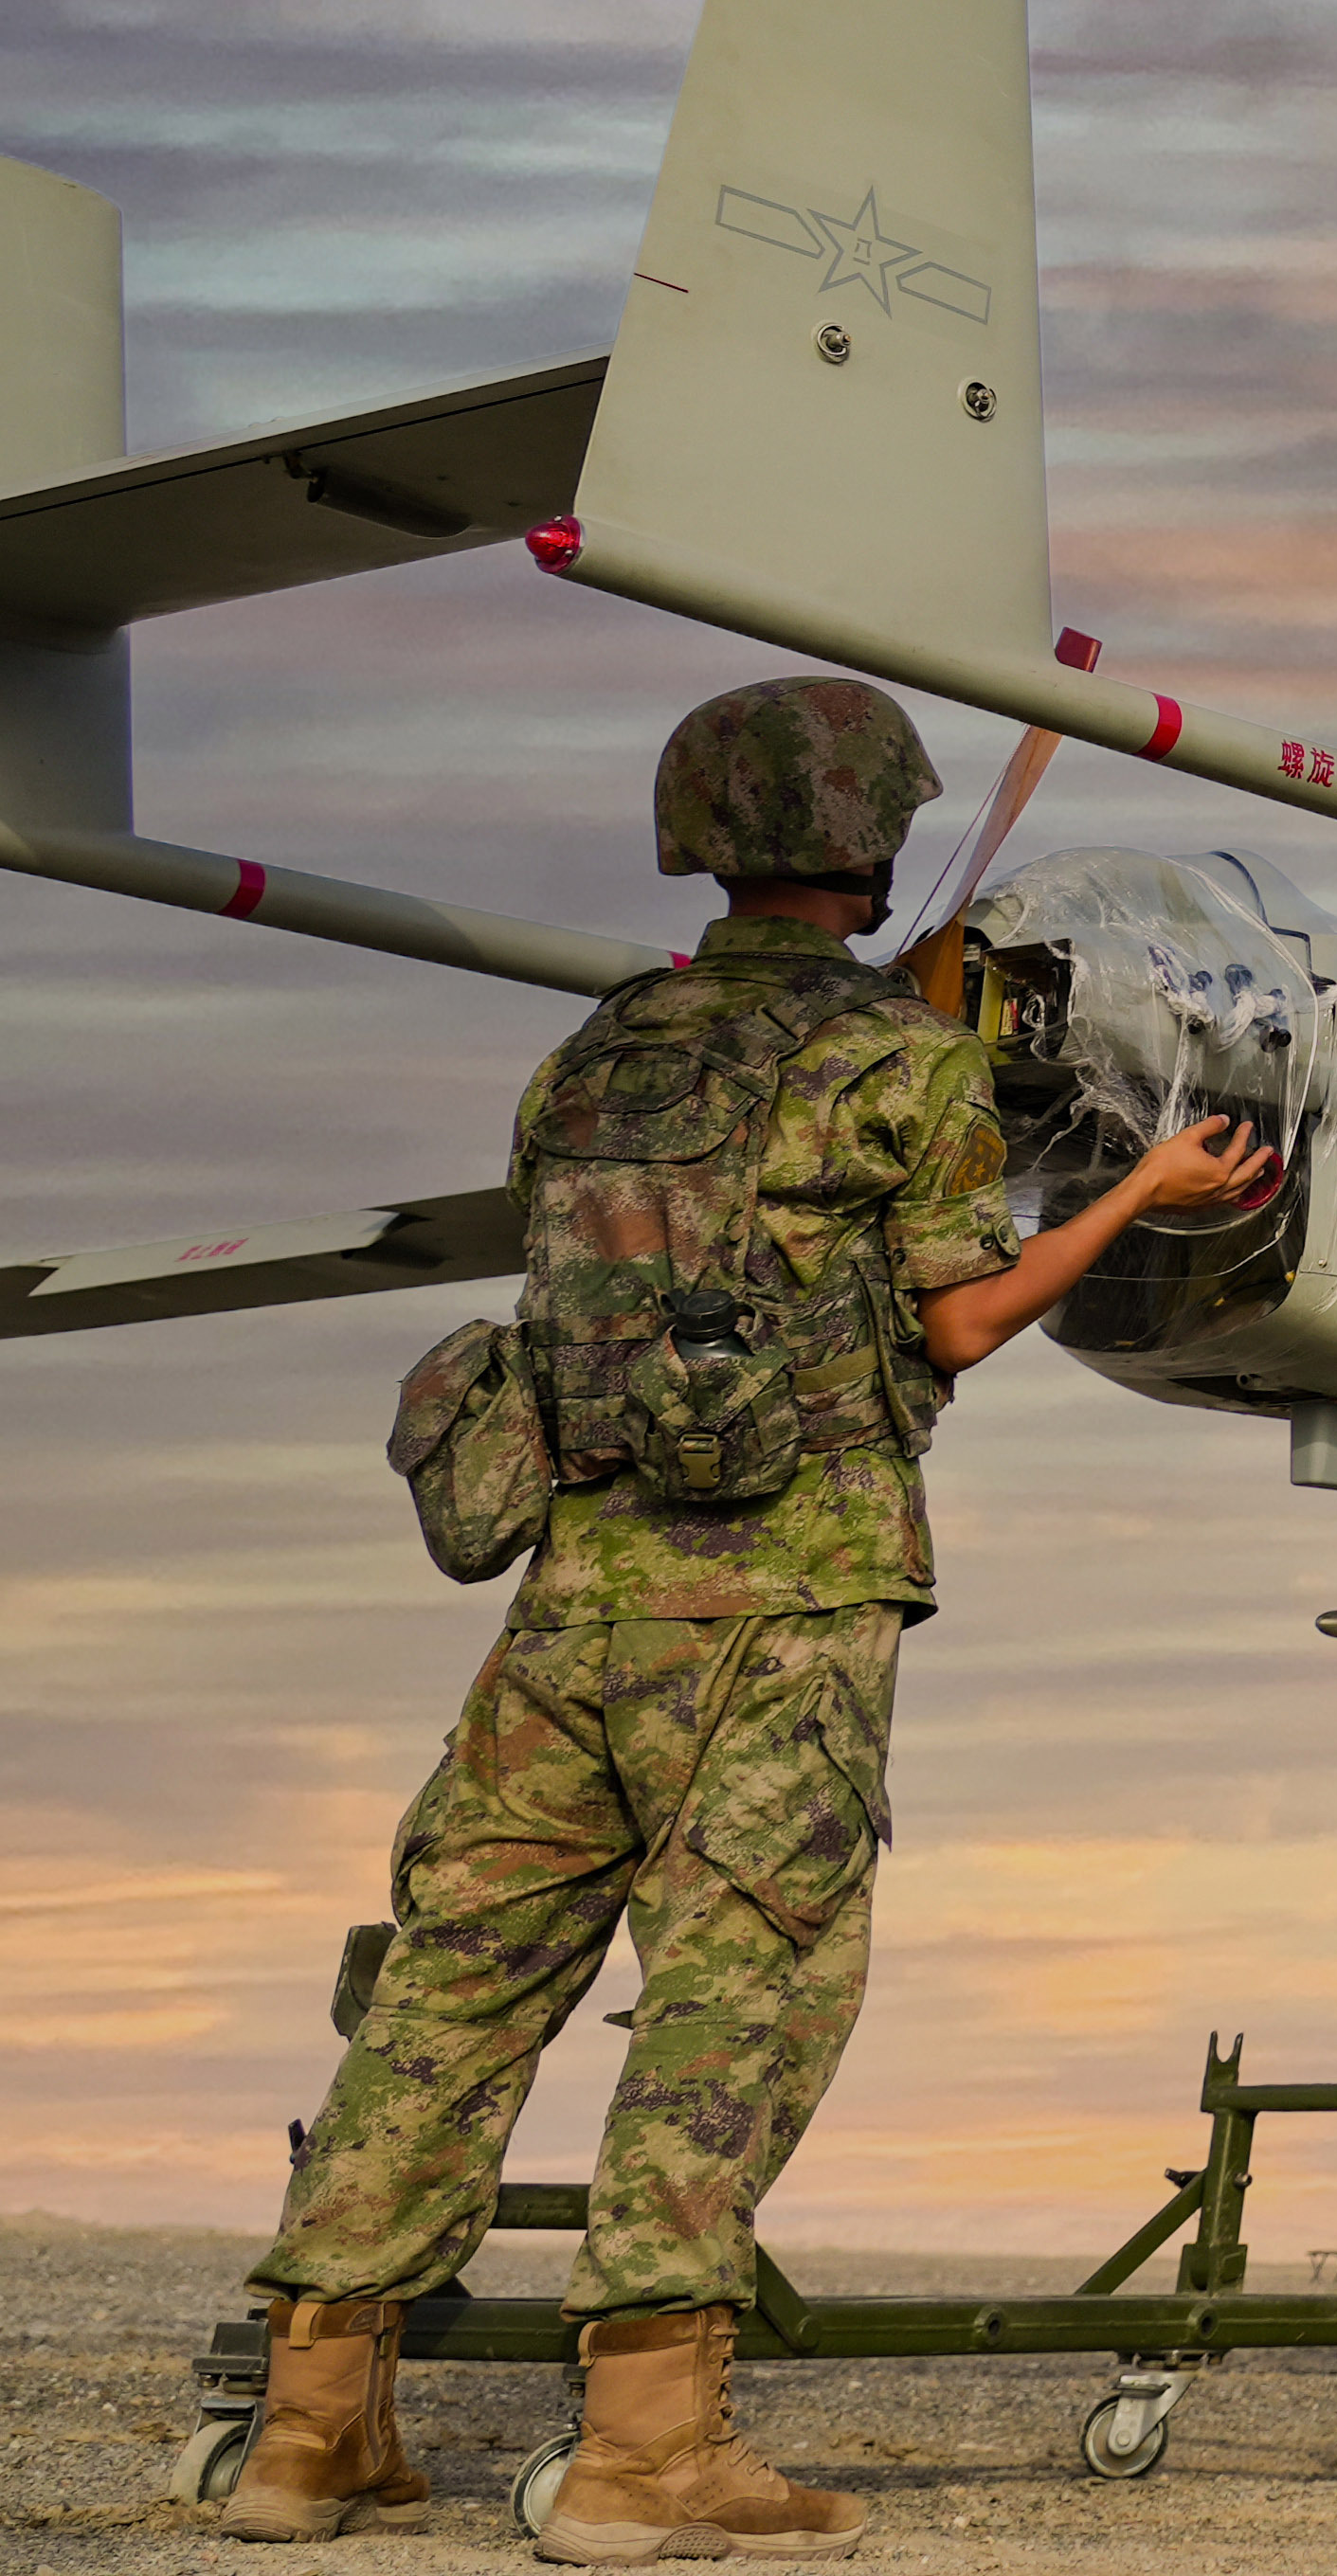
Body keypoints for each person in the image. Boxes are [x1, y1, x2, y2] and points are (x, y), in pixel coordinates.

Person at [226, 676, 1270, 2561]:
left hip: (571, 1595)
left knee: (456, 1982)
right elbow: (951, 1319)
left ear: (701, 829)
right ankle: (643, 2450)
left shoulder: (595, 1056)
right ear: (870, 841)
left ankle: (310, 2427)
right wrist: (1136, 1194)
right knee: (739, 1990)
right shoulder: (909, 1064)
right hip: (784, 1599)